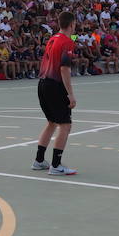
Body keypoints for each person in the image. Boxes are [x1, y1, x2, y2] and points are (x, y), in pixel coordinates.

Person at [33, 11, 79, 175]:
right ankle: (56, 165)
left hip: (42, 84)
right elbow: (64, 69)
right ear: (72, 24)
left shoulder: (52, 39)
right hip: (54, 85)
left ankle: (39, 160)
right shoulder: (67, 42)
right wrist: (70, 94)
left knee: (52, 122)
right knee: (65, 125)